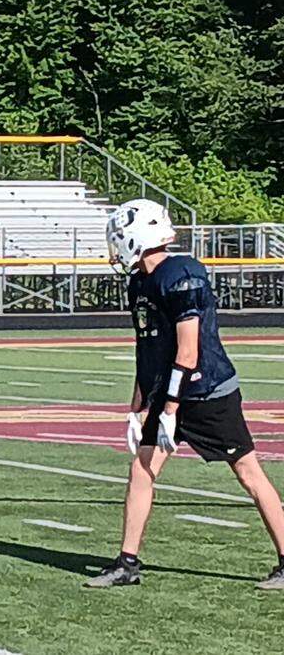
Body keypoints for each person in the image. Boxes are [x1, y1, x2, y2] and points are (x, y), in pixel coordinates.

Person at [86, 199, 284, 590]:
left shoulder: (182, 275)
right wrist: (137, 406)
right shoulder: (140, 281)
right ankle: (127, 562)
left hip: (207, 392)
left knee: (248, 472)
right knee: (141, 470)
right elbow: (148, 347)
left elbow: (188, 351)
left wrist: (171, 407)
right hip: (169, 392)